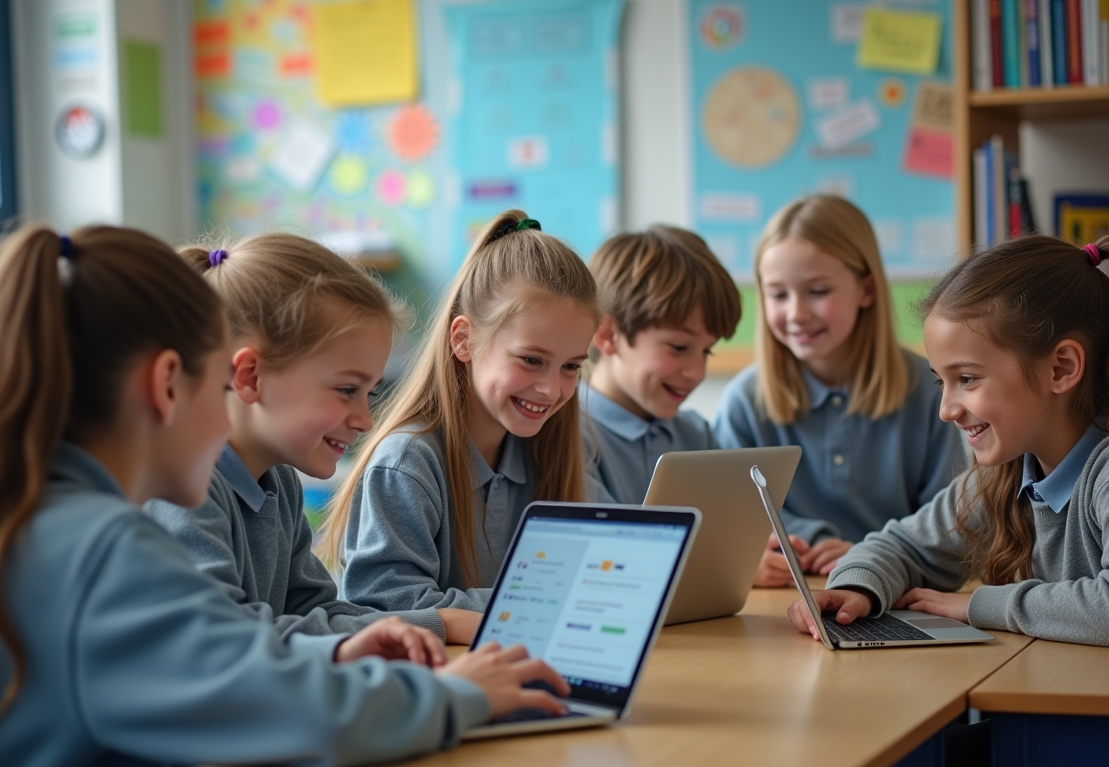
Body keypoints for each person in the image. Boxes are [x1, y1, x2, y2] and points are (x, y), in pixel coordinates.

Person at [0, 226, 568, 767]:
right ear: (167, 384)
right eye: (219, 387)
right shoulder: (98, 549)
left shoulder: (39, 516)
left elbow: (237, 662)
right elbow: (282, 707)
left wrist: (339, 651)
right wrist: (462, 694)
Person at [790, 233, 1109, 649]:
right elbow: (902, 546)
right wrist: (857, 589)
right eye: (941, 382)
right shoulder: (1003, 479)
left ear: (1061, 368)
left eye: (967, 379)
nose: (947, 409)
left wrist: (977, 606)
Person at [146, 234, 480, 644]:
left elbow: (314, 611)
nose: (365, 421)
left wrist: (436, 623)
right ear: (250, 376)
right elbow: (226, 638)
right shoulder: (180, 483)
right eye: (346, 390)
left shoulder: (277, 480)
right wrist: (442, 624)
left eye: (370, 393)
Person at [325, 210, 601, 612]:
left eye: (571, 366)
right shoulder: (406, 464)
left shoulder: (556, 449)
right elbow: (390, 604)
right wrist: (540, 599)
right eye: (530, 360)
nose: (553, 389)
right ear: (464, 340)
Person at [713, 195, 965, 586]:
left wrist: (869, 554)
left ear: (866, 289)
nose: (796, 313)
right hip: (783, 597)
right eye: (778, 294)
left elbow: (951, 523)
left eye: (817, 291)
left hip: (894, 589)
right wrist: (802, 542)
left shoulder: (933, 392)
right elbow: (737, 519)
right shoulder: (744, 402)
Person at [580, 225, 742, 504]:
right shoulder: (567, 436)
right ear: (608, 335)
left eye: (707, 351)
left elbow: (743, 513)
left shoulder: (695, 435)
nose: (697, 372)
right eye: (679, 348)